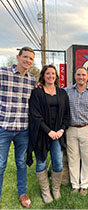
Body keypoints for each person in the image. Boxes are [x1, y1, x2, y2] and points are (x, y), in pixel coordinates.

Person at [27, 64, 70, 203]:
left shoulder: (62, 93)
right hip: (41, 134)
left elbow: (67, 115)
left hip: (58, 135)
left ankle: (56, 189)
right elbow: (35, 115)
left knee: (58, 163)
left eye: (53, 73)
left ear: (56, 76)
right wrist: (48, 131)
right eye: (48, 73)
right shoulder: (37, 93)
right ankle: (46, 192)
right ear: (43, 76)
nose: (51, 76)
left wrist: (61, 130)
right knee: (41, 163)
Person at [0, 46, 36, 208]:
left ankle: (22, 193)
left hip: (23, 130)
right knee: (1, 164)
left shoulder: (32, 80)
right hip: (4, 128)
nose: (28, 60)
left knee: (21, 163)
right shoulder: (3, 73)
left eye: (31, 58)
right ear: (18, 57)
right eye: (25, 57)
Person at [65, 66, 88, 196]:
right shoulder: (66, 91)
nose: (81, 77)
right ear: (75, 76)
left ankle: (84, 185)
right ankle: (75, 185)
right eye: (78, 75)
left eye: (83, 75)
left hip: (87, 129)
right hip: (70, 129)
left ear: (87, 77)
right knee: (73, 158)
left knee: (86, 159)